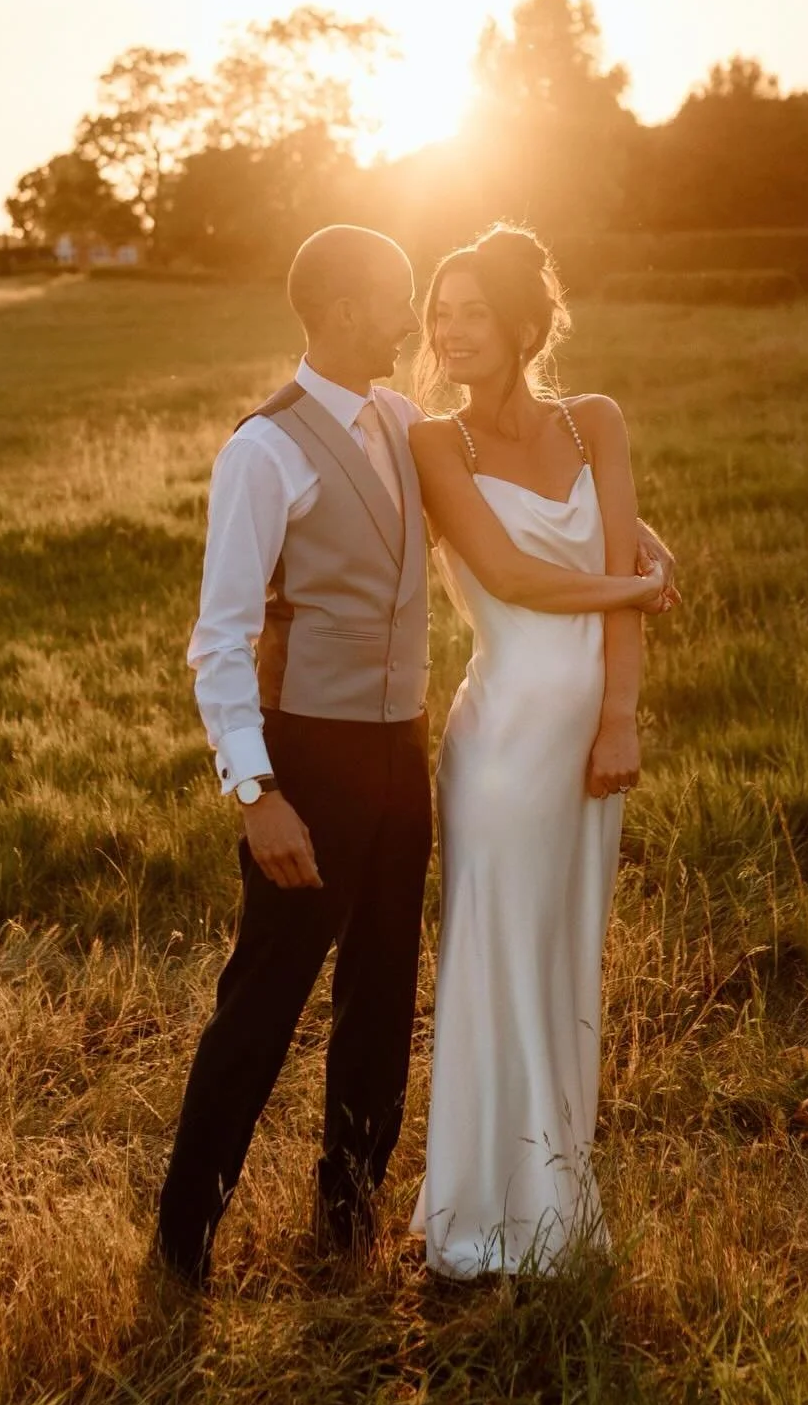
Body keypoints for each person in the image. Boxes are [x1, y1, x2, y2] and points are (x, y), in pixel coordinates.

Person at [155, 224, 672, 1289]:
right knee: (263, 1002)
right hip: (308, 758)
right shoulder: (263, 450)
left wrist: (638, 538)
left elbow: (520, 505)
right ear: (347, 310)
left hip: (402, 750)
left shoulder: (402, 424)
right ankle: (181, 1248)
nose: (418, 325)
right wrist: (255, 789)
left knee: (382, 1002)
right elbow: (219, 638)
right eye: (404, 300)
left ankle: (345, 1224)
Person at [408, 224, 659, 1277]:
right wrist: (634, 582)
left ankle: (553, 1193)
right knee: (497, 961)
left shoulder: (596, 420)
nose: (450, 331)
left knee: (563, 959)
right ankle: (481, 1219)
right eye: (440, 314)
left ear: (522, 325)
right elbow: (511, 577)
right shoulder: (436, 443)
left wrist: (620, 714)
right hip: (503, 745)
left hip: (587, 742)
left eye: (473, 312)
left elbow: (624, 564)